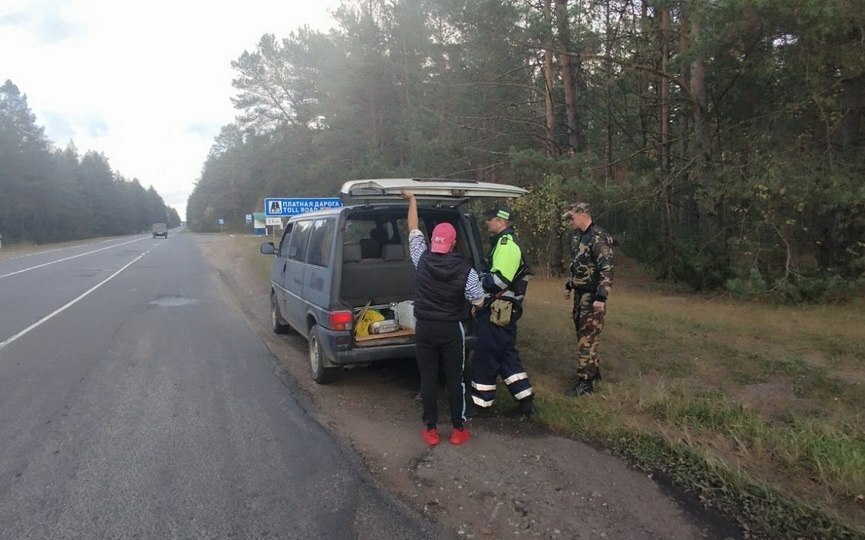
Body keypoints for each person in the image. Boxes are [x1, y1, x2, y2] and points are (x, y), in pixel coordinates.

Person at [401, 191, 485, 446]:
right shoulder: (466, 271)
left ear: (434, 241)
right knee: (454, 378)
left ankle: (431, 430)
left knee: (427, 378)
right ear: (454, 242)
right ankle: (458, 430)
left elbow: (413, 229)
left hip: (424, 328)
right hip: (450, 330)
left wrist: (412, 200)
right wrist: (473, 306)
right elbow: (478, 299)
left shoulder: (421, 259)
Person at [470, 205, 535, 418]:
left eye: (490, 219)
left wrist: (475, 280)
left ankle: (481, 404)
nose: (487, 222)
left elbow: (499, 281)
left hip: (500, 310)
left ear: (501, 221)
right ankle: (525, 401)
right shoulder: (502, 243)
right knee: (506, 354)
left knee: (486, 355)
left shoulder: (506, 245)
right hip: (503, 310)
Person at [562, 201, 614, 396]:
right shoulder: (578, 237)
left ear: (583, 215)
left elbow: (607, 269)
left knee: (587, 337)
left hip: (593, 296)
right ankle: (593, 372)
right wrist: (569, 285)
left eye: (572, 218)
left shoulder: (598, 238)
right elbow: (575, 264)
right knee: (583, 334)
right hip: (580, 294)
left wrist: (601, 297)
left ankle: (585, 382)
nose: (570, 222)